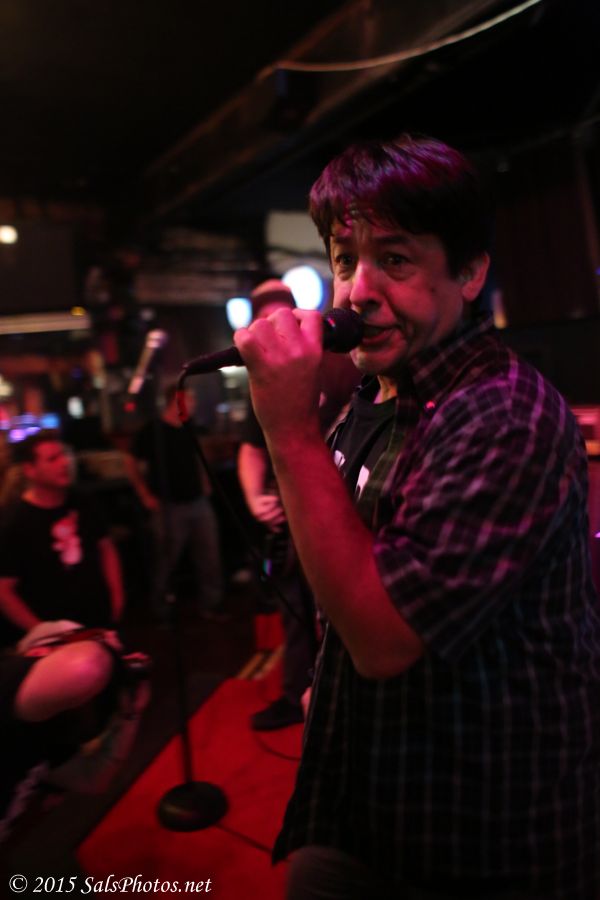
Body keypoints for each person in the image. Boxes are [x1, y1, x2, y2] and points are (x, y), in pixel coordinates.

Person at [233, 136, 600, 899]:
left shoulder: (502, 413)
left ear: (469, 273)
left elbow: (385, 637)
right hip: (367, 801)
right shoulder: (376, 394)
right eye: (344, 260)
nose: (356, 291)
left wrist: (288, 429)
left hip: (483, 836)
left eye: (394, 260)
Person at [238, 280, 318, 731]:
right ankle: (296, 694)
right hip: (289, 517)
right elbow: (251, 448)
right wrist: (255, 498)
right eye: (262, 319)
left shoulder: (327, 362)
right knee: (295, 612)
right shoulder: (262, 377)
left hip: (336, 507)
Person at [1, 620, 149, 841]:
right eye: (93, 639)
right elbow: (88, 665)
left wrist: (131, 713)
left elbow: (92, 779)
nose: (110, 641)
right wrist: (110, 649)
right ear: (38, 652)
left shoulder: (51, 728)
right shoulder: (7, 677)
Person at [0, 432, 125, 649]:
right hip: (52, 639)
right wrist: (42, 631)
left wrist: (116, 597)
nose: (64, 462)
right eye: (53, 459)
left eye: (64, 455)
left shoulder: (84, 502)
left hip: (97, 622)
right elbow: (3, 590)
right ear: (30, 470)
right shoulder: (13, 521)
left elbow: (106, 548)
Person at [125, 383, 227, 622]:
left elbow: (196, 457)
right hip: (169, 506)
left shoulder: (189, 428)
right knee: (166, 561)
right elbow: (130, 461)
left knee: (209, 557)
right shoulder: (153, 431)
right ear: (176, 401)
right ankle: (162, 612)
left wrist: (204, 480)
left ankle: (211, 606)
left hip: (197, 501)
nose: (193, 404)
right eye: (190, 399)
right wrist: (144, 494)